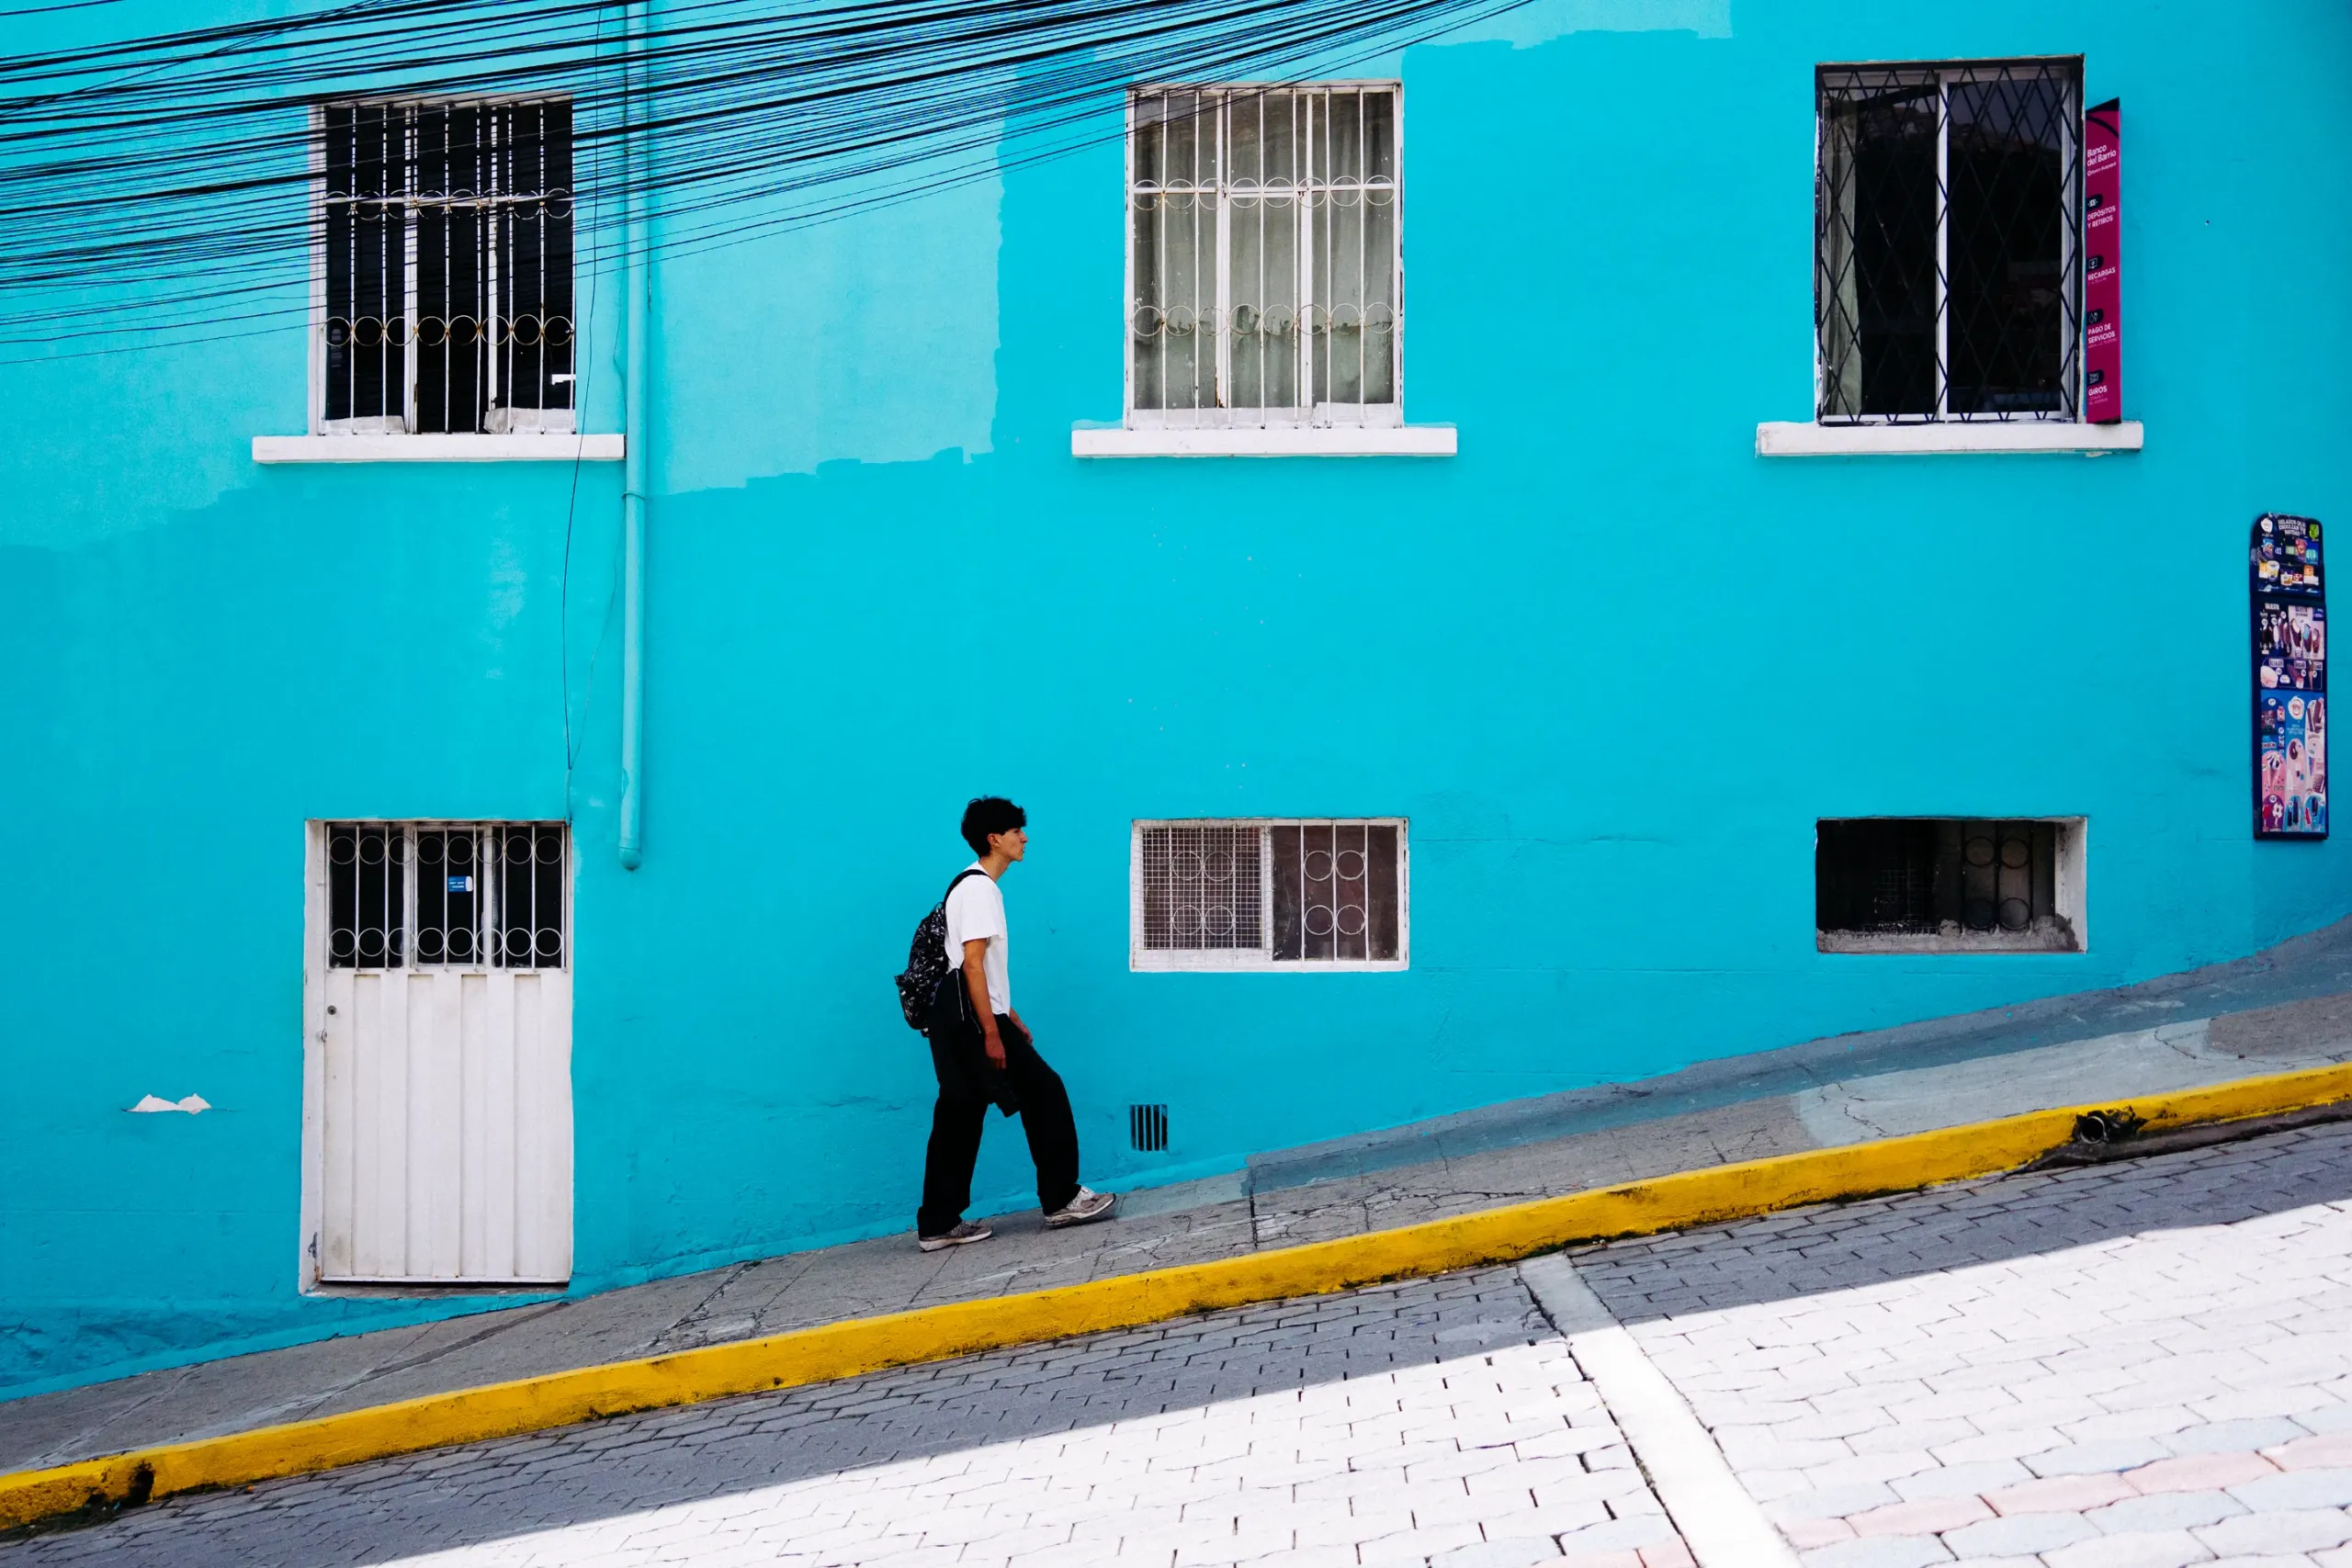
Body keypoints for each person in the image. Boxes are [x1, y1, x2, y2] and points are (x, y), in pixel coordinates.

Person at [916, 796, 1116, 1251]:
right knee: (1045, 1092)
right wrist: (993, 1031)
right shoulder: (980, 889)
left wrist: (1009, 1013)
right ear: (994, 839)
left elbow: (973, 967)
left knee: (959, 1116)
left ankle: (938, 1222)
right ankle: (1062, 1198)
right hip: (974, 1021)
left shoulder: (968, 886)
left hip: (961, 1019)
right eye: (1015, 832)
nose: (1024, 838)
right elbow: (971, 964)